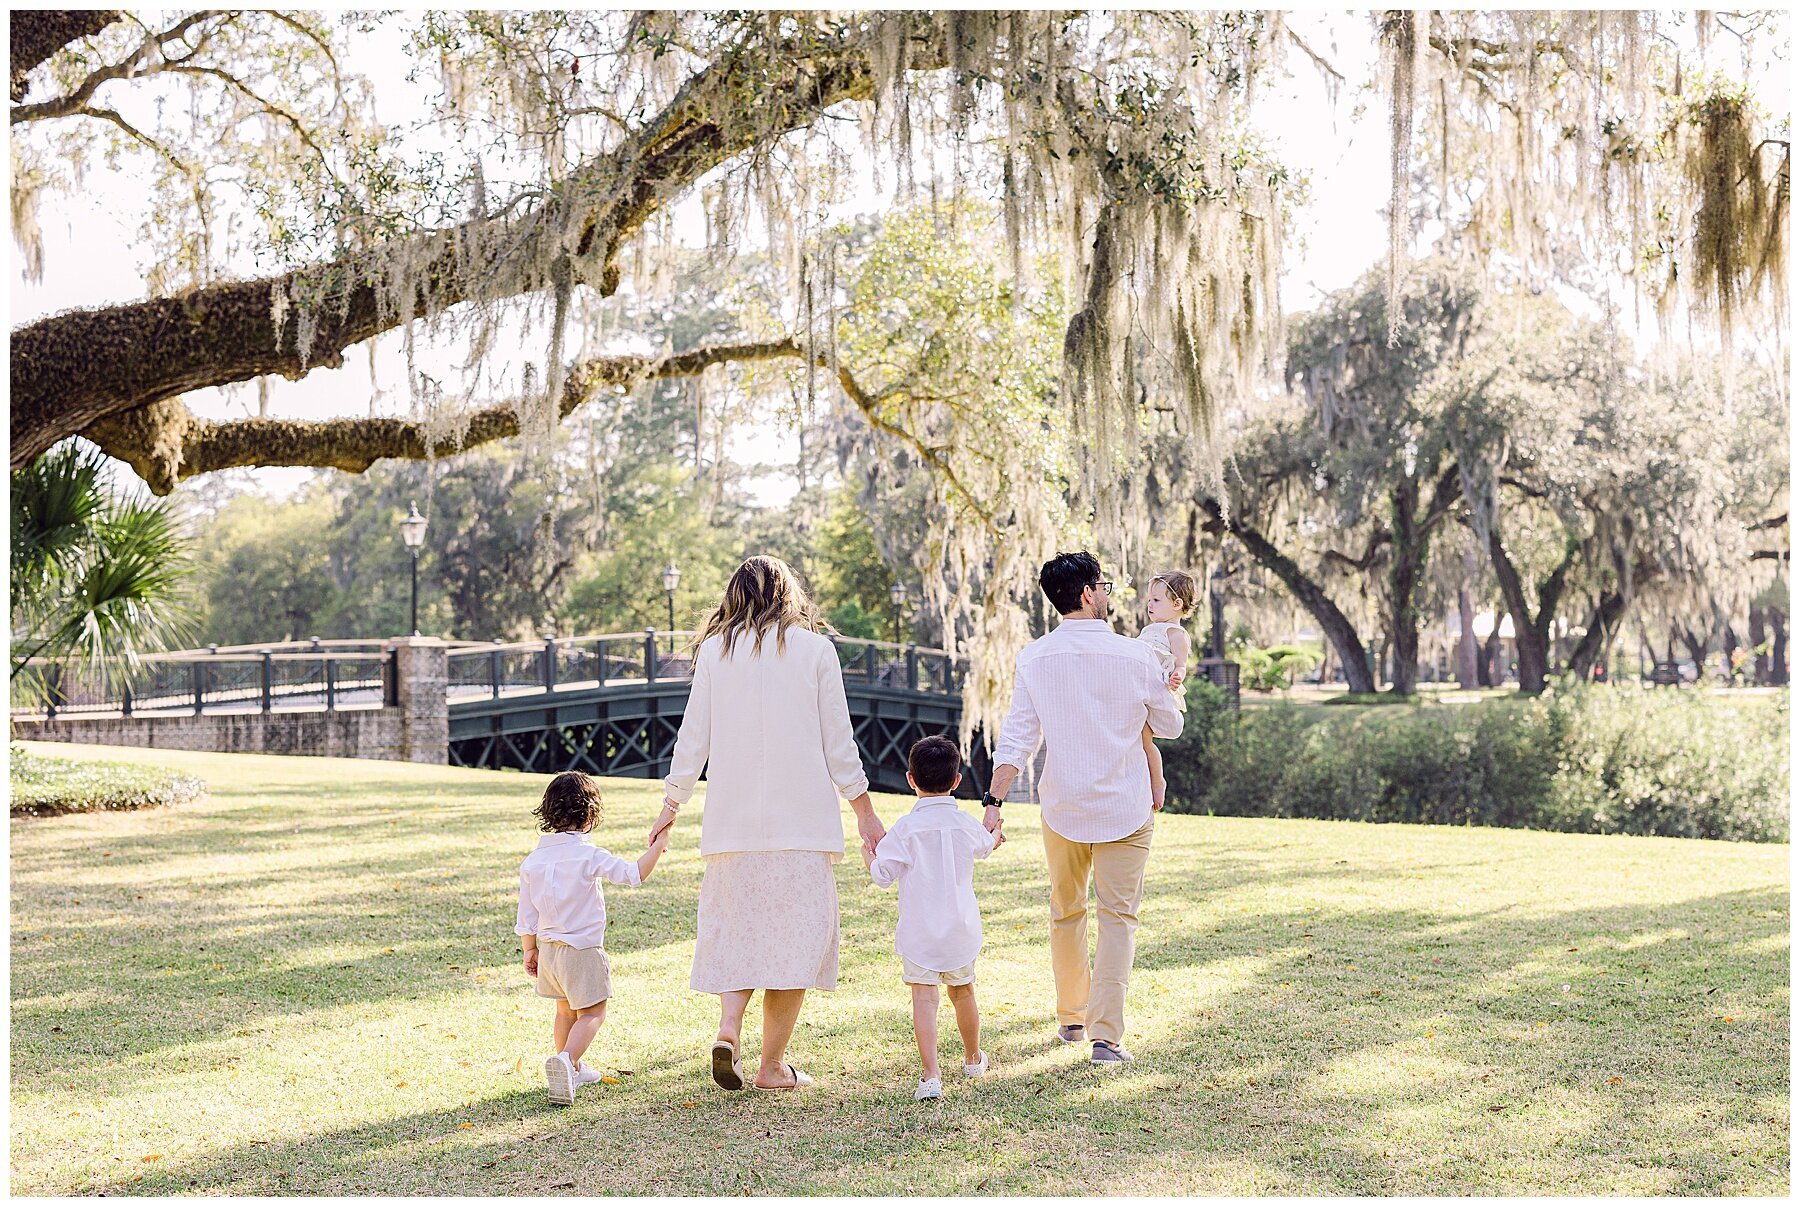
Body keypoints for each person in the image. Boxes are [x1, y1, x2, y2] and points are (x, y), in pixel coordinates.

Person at [652, 555, 887, 1092]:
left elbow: (693, 739)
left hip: (732, 830)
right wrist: (865, 813)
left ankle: (729, 1029)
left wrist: (671, 806)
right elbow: (838, 744)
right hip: (801, 828)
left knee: (738, 936)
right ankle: (772, 1066)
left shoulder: (715, 652)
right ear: (790, 595)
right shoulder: (816, 651)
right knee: (792, 948)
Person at [984, 552, 1183, 1065]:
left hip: (1064, 807)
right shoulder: (1136, 657)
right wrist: (1168, 692)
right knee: (1118, 918)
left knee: (1066, 912)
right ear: (1089, 594)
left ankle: (1072, 1018)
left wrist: (994, 801)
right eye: (1105, 587)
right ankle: (1105, 1037)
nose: (1110, 595)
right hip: (1125, 807)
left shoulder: (1034, 657)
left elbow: (1017, 740)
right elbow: (1170, 726)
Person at [515, 771, 670, 1106]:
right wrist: (659, 846)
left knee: (565, 1012)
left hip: (550, 952)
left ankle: (572, 1066)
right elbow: (633, 874)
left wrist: (530, 950)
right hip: (582, 950)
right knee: (593, 1013)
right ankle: (567, 1061)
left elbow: (526, 916)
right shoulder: (588, 855)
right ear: (589, 816)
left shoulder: (534, 861)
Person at [864, 735, 1002, 1101]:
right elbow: (988, 844)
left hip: (920, 935)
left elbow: (882, 875)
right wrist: (997, 833)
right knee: (964, 993)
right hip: (960, 931)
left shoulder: (905, 830)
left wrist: (869, 855)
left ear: (911, 780)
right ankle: (973, 1058)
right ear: (957, 780)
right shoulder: (966, 824)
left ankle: (931, 1076)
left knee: (925, 1001)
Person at [1137, 571, 1196, 811]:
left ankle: (1157, 781)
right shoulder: (1149, 630)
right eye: (1149, 599)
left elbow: (1181, 665)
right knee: (1140, 739)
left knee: (1146, 741)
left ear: (1176, 604)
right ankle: (1142, 781)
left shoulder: (1176, 634)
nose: (1150, 604)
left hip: (1158, 690)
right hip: (1140, 689)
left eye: (1156, 600)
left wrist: (1177, 676)